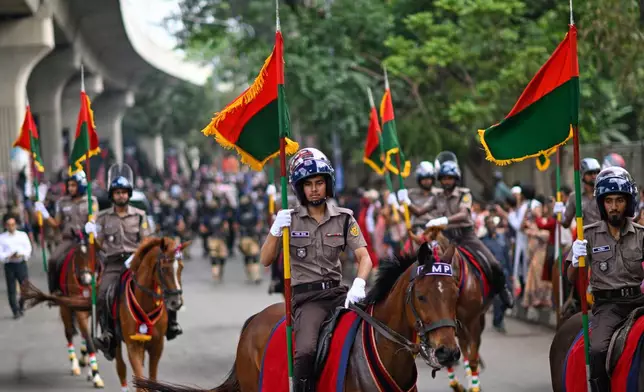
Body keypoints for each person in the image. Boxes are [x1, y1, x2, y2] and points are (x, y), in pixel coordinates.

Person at [259, 148, 373, 392]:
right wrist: (276, 230)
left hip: (339, 293)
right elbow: (266, 259)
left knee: (376, 328)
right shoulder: (290, 220)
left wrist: (360, 283)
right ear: (300, 188)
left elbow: (364, 257)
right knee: (306, 350)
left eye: (319, 182)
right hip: (308, 300)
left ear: (328, 184)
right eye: (308, 184)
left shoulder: (344, 219)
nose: (314, 189)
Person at [88, 164, 181, 361]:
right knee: (104, 292)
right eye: (117, 192)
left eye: (123, 192)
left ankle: (171, 324)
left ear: (128, 194)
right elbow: (99, 245)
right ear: (112, 195)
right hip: (114, 263)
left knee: (166, 284)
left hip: (136, 262)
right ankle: (107, 334)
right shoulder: (103, 218)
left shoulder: (140, 216)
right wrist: (92, 233)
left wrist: (138, 256)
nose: (120, 196)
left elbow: (147, 239)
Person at [400, 152, 514, 308]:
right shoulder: (437, 197)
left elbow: (464, 213)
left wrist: (445, 220)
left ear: (456, 179)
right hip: (445, 239)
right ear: (440, 179)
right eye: (444, 178)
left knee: (494, 263)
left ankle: (502, 291)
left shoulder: (464, 194)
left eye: (450, 178)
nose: (447, 181)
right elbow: (420, 211)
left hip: (466, 237)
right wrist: (405, 201)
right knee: (423, 262)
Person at [567, 166, 644, 392]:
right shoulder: (588, 235)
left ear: (628, 202)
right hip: (608, 307)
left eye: (619, 200)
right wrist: (575, 260)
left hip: (638, 301)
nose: (613, 207)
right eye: (608, 200)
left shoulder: (641, 234)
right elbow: (572, 278)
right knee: (598, 350)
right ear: (601, 204)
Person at [33, 171, 98, 294]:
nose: (70, 188)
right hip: (69, 240)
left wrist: (91, 224)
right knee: (53, 260)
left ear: (81, 185)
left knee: (104, 259)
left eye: (73, 185)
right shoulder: (62, 202)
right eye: (69, 185)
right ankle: (55, 290)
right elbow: (56, 223)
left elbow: (93, 216)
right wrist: (44, 213)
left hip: (86, 238)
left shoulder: (91, 200)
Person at [0, 213, 32, 319]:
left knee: (25, 287)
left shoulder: (22, 235)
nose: (11, 227)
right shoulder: (2, 238)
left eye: (13, 224)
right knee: (11, 289)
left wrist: (22, 254)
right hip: (9, 264)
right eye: (9, 225)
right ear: (5, 226)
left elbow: (28, 248)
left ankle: (21, 304)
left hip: (21, 263)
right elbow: (1, 253)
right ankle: (15, 310)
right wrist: (8, 256)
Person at [558, 157, 602, 228]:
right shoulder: (574, 197)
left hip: (603, 237)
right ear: (583, 175)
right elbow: (566, 224)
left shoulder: (604, 194)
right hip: (584, 237)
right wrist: (559, 215)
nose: (594, 176)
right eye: (590, 173)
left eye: (597, 172)